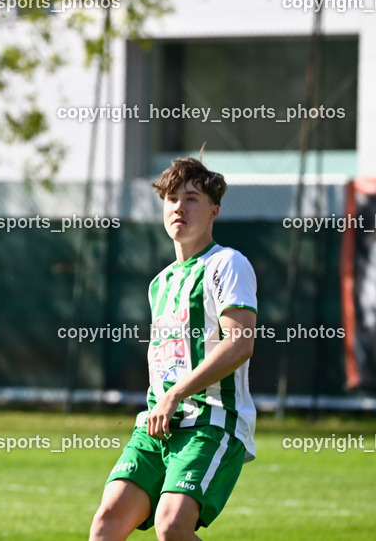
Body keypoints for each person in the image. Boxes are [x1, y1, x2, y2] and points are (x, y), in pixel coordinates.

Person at [89, 156, 258, 541]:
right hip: (158, 422)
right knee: (106, 523)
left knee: (172, 526)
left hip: (212, 420)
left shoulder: (227, 263)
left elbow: (239, 343)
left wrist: (177, 394)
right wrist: (162, 402)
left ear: (214, 209)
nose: (179, 207)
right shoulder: (160, 282)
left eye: (192, 198)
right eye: (171, 199)